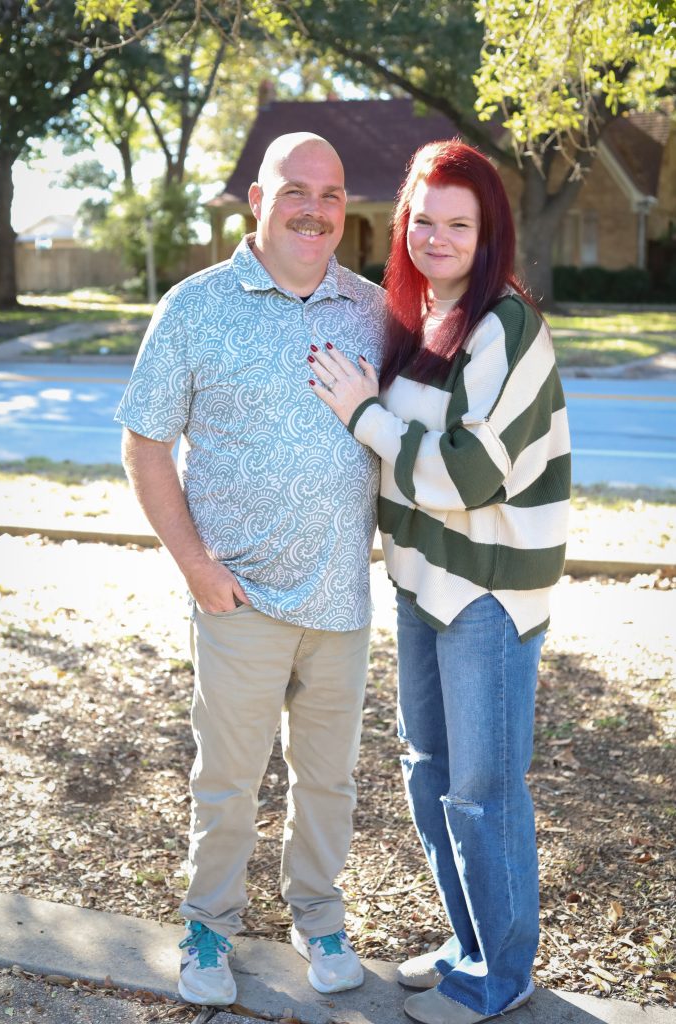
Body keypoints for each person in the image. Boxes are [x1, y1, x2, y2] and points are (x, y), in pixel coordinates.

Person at [115, 132, 386, 1007]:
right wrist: (195, 568)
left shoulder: (374, 311)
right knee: (227, 780)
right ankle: (207, 927)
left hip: (342, 596)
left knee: (329, 779)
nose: (315, 208)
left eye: (332, 194)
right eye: (295, 190)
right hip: (237, 595)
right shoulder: (196, 306)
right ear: (257, 201)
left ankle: (320, 916)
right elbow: (144, 442)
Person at [308, 138, 571, 1024]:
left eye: (458, 222)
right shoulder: (417, 319)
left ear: (487, 230)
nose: (436, 235)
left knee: (483, 789)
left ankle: (500, 977)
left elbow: (467, 478)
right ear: (403, 223)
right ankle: (468, 945)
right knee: (429, 776)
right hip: (421, 584)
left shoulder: (507, 326)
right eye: (423, 218)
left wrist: (363, 415)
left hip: (487, 595)